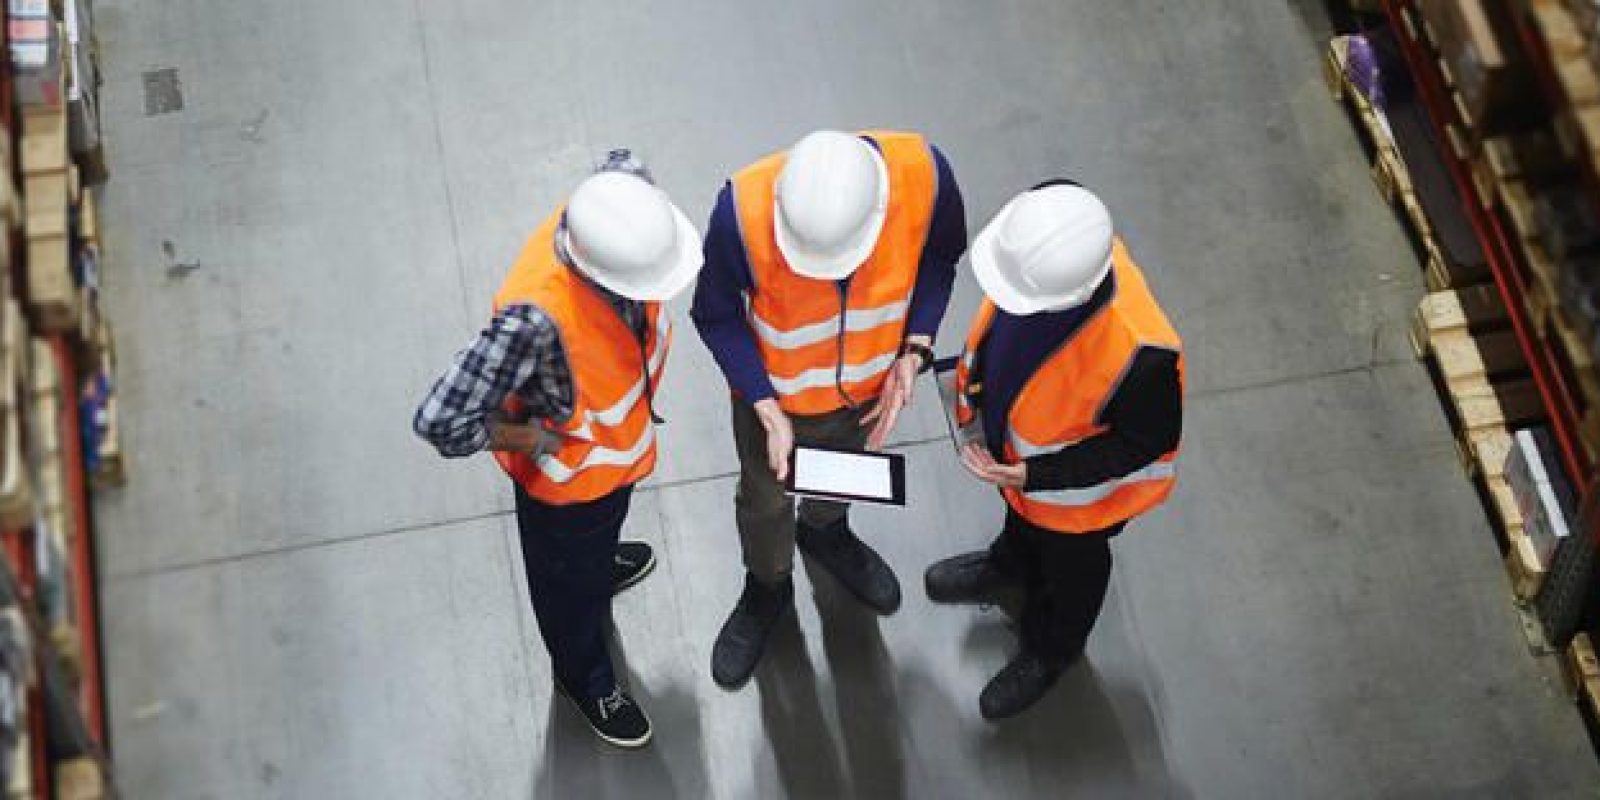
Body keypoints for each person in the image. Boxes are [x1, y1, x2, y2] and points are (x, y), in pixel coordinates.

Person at [412, 152, 702, 748]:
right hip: (566, 489)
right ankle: (582, 675)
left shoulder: (622, 192)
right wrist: (529, 438)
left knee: (592, 551)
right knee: (565, 585)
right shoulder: (533, 321)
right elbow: (440, 418)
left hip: (615, 464)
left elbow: (624, 159)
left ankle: (595, 570)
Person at [692, 129, 966, 687]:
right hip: (774, 401)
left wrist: (915, 349)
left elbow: (941, 257)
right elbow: (715, 312)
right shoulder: (741, 211)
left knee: (842, 476)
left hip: (870, 387)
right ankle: (766, 585)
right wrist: (764, 405)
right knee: (765, 501)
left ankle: (826, 531)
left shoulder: (925, 179)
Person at [925, 181, 1184, 720]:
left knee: (1074, 572)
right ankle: (1011, 563)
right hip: (1019, 470)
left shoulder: (1143, 355)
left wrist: (1037, 475)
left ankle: (1052, 649)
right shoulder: (1051, 243)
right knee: (1022, 527)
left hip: (1076, 504)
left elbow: (1144, 441)